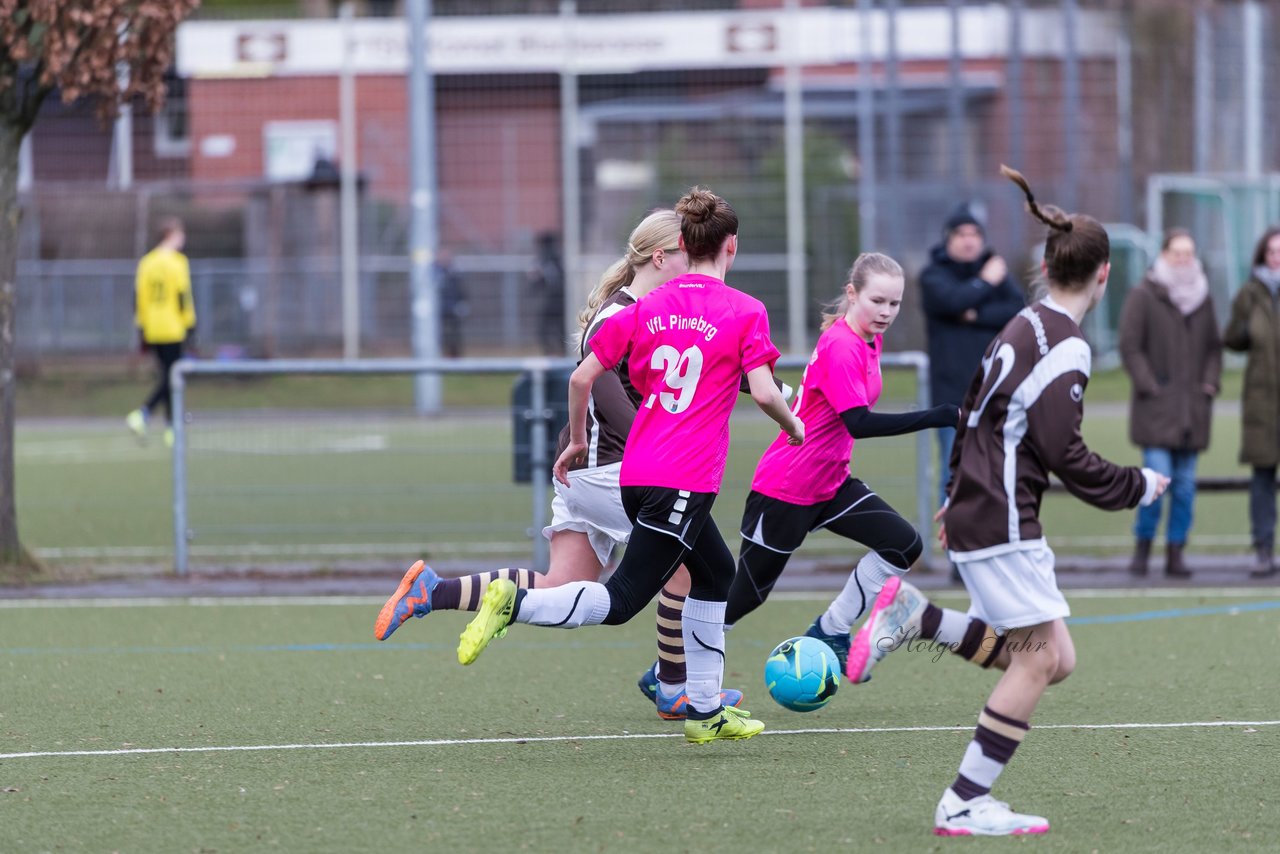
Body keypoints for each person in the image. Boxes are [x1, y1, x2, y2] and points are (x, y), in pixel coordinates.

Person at [847, 166, 1168, 837]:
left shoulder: (1023, 323)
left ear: (1046, 265)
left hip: (982, 507)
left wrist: (955, 490)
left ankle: (918, 617)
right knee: (1041, 658)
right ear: (1104, 275)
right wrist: (1137, 486)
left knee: (1059, 658)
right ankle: (964, 800)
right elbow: (1065, 453)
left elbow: (972, 411)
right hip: (1002, 517)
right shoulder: (1065, 345)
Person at [454, 187, 803, 745]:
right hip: (683, 480)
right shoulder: (744, 310)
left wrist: (571, 441)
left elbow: (579, 377)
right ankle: (517, 603)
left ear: (684, 244)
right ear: (730, 247)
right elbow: (762, 392)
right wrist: (794, 425)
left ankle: (705, 710)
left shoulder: (646, 307)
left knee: (716, 573)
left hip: (639, 474)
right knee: (620, 603)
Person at [375, 209, 746, 718]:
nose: (699, 264)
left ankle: (432, 590)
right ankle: (674, 685)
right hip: (613, 472)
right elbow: (609, 397)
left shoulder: (656, 311)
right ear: (662, 256)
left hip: (588, 471)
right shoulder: (625, 314)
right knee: (688, 571)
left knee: (561, 585)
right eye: (688, 252)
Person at [717, 252, 957, 669]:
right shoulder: (843, 345)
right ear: (852, 293)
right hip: (786, 486)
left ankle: (832, 627)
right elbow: (858, 423)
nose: (885, 312)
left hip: (830, 483)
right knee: (746, 596)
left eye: (894, 303)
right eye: (877, 300)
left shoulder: (868, 338)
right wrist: (937, 416)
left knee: (903, 544)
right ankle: (671, 669)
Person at [1118, 228, 1222, 579]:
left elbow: (1213, 347)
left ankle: (1176, 553)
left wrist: (1208, 384)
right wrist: (1151, 386)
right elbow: (1130, 346)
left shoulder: (1203, 297)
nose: (1183, 259)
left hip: (1192, 411)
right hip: (1157, 411)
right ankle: (1143, 548)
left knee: (1186, 487)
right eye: (1177, 252)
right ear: (1163, 254)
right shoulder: (1144, 294)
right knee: (1155, 485)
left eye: (1188, 253)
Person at [920, 204, 1024, 510]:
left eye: (975, 234)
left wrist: (974, 313)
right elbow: (952, 301)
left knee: (997, 477)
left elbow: (1017, 310)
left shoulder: (995, 270)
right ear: (947, 239)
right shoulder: (933, 275)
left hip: (995, 394)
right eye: (961, 234)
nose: (969, 240)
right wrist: (985, 284)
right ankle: (957, 554)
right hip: (952, 400)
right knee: (956, 476)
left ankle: (986, 550)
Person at [1224, 225, 1280, 579]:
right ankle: (1263, 549)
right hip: (1262, 399)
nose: (1278, 257)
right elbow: (1231, 338)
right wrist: (1243, 332)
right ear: (1263, 255)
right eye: (1273, 251)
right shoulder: (1249, 293)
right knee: (1262, 477)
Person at [126, 217, 195, 449]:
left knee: (167, 375)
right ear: (171, 235)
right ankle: (144, 413)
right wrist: (190, 324)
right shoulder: (177, 262)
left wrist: (142, 326)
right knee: (171, 377)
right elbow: (182, 295)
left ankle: (171, 429)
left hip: (152, 328)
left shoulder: (146, 262)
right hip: (173, 327)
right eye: (180, 234)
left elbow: (139, 297)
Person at [531, 232, 566, 355]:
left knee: (558, 329)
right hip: (554, 300)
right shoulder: (549, 259)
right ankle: (552, 351)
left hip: (558, 300)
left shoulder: (551, 259)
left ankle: (558, 352)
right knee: (548, 329)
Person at [436, 250, 469, 358]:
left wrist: (462, 303)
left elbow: (461, 290)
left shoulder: (454, 273)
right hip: (439, 310)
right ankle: (439, 356)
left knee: (454, 335)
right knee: (439, 334)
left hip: (453, 309)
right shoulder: (435, 273)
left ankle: (455, 357)